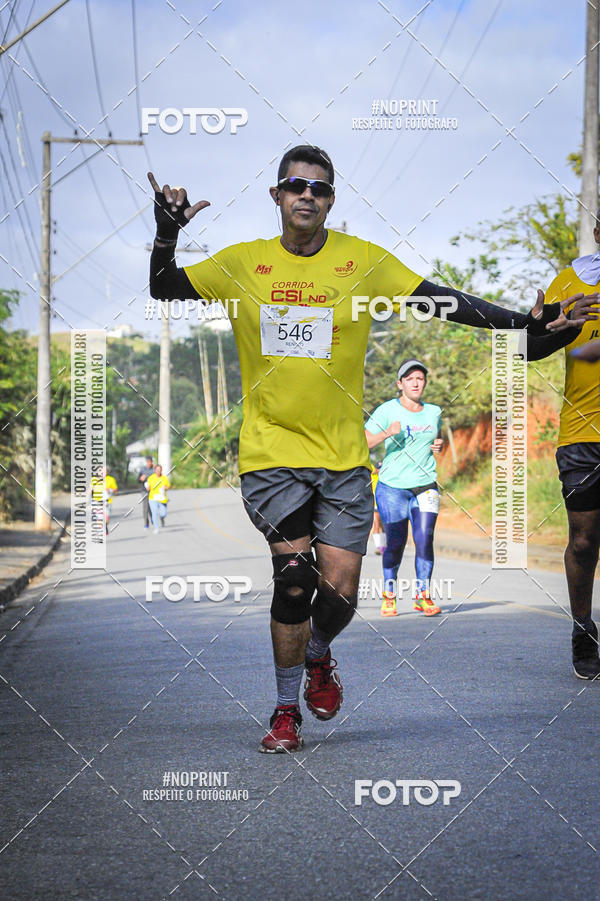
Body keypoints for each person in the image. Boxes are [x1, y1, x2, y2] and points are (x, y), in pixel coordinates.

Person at [148, 144, 589, 753]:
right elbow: (165, 287)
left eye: (320, 189)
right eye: (296, 185)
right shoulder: (242, 264)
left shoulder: (363, 264)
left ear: (331, 201)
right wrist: (166, 234)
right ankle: (283, 710)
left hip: (343, 459)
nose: (308, 195)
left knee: (343, 593)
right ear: (276, 196)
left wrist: (527, 322)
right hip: (270, 455)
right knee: (294, 580)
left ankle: (320, 655)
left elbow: (444, 301)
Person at [538, 225, 600, 679]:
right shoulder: (569, 281)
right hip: (582, 432)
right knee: (584, 540)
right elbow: (523, 349)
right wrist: (550, 328)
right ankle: (583, 629)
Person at [365, 359, 443, 618]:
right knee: (396, 543)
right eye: (409, 379)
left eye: (420, 378)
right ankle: (389, 594)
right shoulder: (386, 410)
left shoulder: (434, 411)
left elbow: (435, 437)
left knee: (424, 538)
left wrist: (438, 445)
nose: (416, 382)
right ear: (400, 384)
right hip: (392, 488)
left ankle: (423, 596)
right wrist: (388, 432)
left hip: (426, 485)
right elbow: (364, 442)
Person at [90, 466, 117, 535]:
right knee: (99, 517)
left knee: (106, 518)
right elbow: (90, 489)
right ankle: (100, 531)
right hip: (96, 501)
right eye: (101, 471)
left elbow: (115, 490)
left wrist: (110, 490)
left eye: (104, 471)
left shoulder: (111, 479)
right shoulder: (94, 479)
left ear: (107, 472)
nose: (102, 473)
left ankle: (105, 526)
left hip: (107, 501)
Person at [146, 464, 170, 533]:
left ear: (161, 470)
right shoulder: (151, 478)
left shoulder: (164, 478)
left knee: (163, 513)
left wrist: (164, 488)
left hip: (162, 498)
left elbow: (168, 486)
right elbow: (148, 486)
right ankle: (156, 528)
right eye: (157, 470)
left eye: (159, 470)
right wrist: (148, 488)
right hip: (153, 498)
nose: (158, 471)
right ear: (155, 470)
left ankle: (162, 518)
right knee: (154, 513)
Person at [370, 463, 386, 555]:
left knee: (383, 526)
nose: (379, 470)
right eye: (378, 468)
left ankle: (384, 545)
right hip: (375, 504)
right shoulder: (373, 476)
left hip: (383, 504)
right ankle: (379, 547)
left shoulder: (385, 478)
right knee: (376, 524)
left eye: (381, 468)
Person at [138, 455, 154, 528]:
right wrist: (141, 479)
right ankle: (146, 522)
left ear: (152, 462)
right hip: (144, 490)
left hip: (153, 490)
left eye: (150, 462)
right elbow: (138, 479)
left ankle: (153, 518)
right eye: (147, 462)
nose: (149, 463)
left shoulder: (154, 469)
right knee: (145, 507)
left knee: (151, 506)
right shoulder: (143, 469)